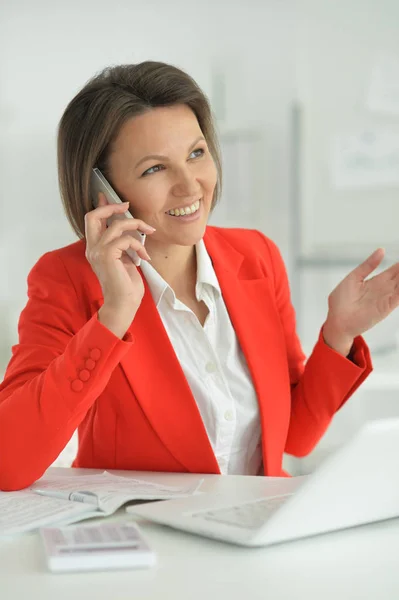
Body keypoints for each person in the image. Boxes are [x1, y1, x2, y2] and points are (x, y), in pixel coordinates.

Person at [0, 62, 398, 492]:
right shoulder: (66, 278)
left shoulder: (255, 255)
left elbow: (295, 437)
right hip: (152, 539)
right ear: (104, 192)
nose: (190, 187)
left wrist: (338, 333)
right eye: (154, 169)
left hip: (252, 530)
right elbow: (9, 462)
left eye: (196, 153)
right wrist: (114, 315)